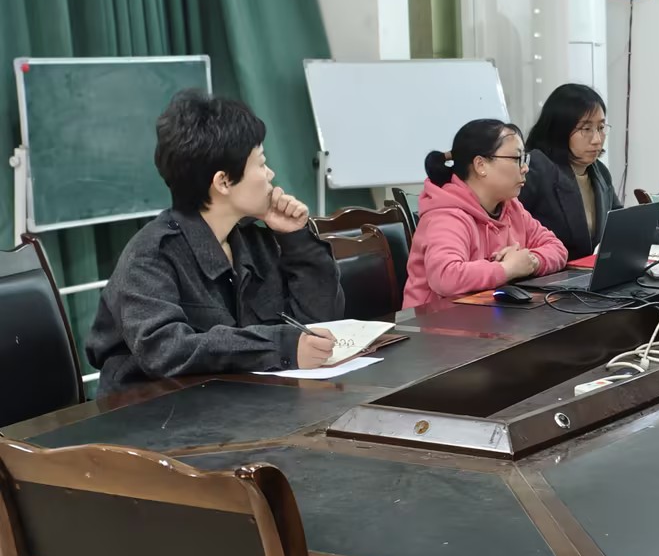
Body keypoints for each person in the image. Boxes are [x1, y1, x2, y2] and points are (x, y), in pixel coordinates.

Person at [88, 91, 342, 395]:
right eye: (261, 164)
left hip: (241, 401)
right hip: (155, 410)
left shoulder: (254, 239)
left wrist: (295, 239)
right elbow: (164, 350)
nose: (270, 174)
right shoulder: (150, 256)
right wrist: (279, 347)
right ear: (223, 182)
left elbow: (320, 321)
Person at [519, 83, 659, 259]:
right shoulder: (535, 168)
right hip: (550, 276)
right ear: (559, 129)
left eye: (601, 128)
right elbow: (514, 231)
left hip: (588, 274)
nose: (597, 139)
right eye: (586, 129)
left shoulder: (599, 171)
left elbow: (620, 228)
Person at [402, 119, 567, 308]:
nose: (525, 168)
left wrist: (530, 262)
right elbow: (445, 276)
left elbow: (557, 248)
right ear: (481, 165)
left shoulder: (511, 206)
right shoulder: (446, 215)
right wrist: (506, 269)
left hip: (489, 314)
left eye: (524, 159)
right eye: (517, 159)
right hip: (437, 320)